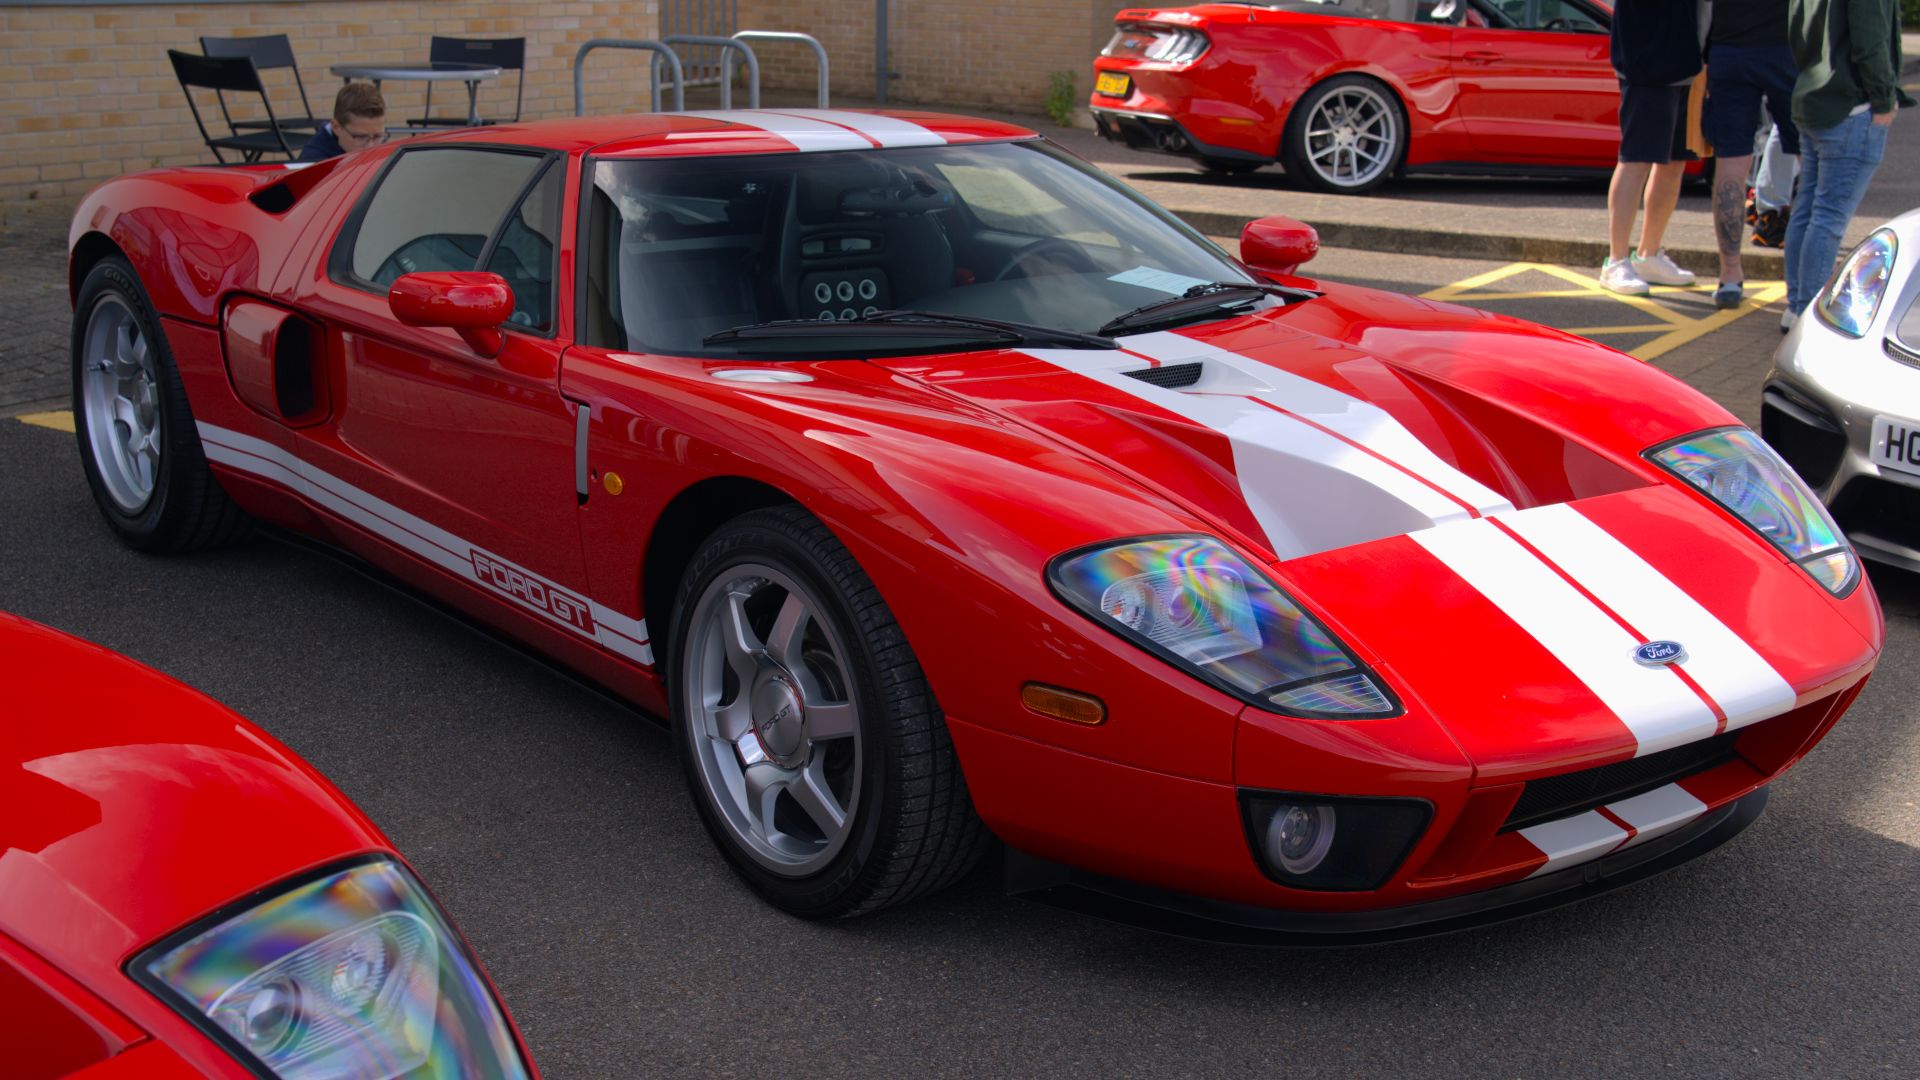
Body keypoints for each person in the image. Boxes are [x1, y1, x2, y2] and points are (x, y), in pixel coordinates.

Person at [1782, 0, 1901, 331]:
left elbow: (1796, 34)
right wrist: (1883, 98)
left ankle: (1796, 305)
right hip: (1849, 107)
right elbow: (1871, 41)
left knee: (1808, 208)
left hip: (1813, 99)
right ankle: (1807, 312)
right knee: (1828, 217)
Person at [1602, 0, 1713, 296]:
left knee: (1675, 163)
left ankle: (1649, 255)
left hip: (1688, 66)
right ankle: (1616, 261)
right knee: (1636, 160)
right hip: (1647, 66)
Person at [1702, 1, 1800, 309]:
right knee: (1808, 156)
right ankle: (1808, 279)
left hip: (1728, 50)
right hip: (1784, 49)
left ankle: (1730, 276)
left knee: (1731, 161)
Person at [298, 82, 388, 163]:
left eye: (378, 136)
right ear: (336, 127)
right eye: (361, 137)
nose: (370, 148)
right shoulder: (311, 164)